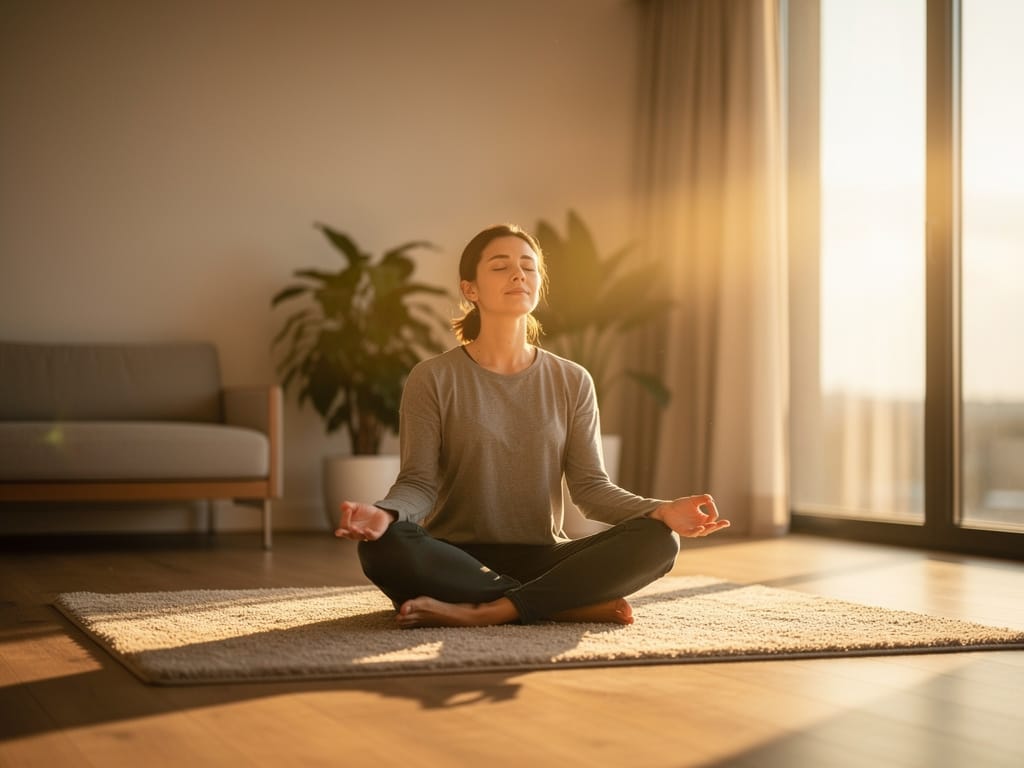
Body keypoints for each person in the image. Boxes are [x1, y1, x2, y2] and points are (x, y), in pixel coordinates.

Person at [335, 223, 730, 628]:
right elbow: (419, 483)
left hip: (545, 557)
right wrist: (386, 513)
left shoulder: (572, 379)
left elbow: (591, 490)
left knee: (659, 539)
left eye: (528, 267)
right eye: (500, 266)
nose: (518, 275)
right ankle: (559, 604)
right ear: (470, 289)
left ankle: (491, 609)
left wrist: (661, 510)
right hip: (454, 558)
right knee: (382, 545)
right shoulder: (432, 377)